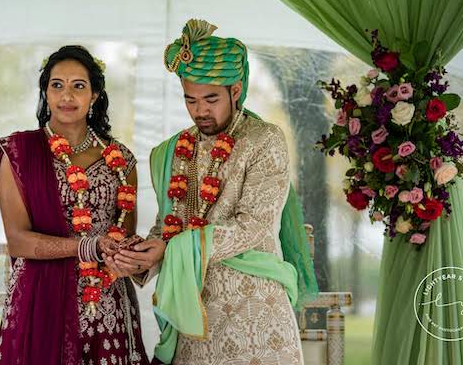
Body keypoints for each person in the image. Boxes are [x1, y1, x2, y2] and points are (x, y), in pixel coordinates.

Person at [113, 19, 318, 365]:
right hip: (194, 318)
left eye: (211, 99)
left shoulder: (264, 141)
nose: (200, 111)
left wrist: (170, 247)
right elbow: (169, 225)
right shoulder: (173, 150)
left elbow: (253, 225)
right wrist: (140, 256)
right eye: (190, 100)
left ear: (235, 90)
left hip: (255, 313)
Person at [0, 45, 149, 365]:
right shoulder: (20, 153)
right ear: (45, 93)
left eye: (78, 86)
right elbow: (18, 240)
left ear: (94, 96)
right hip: (41, 301)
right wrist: (87, 246)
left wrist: (136, 257)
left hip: (106, 304)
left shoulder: (121, 160)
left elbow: (124, 236)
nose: (67, 95)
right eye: (57, 85)